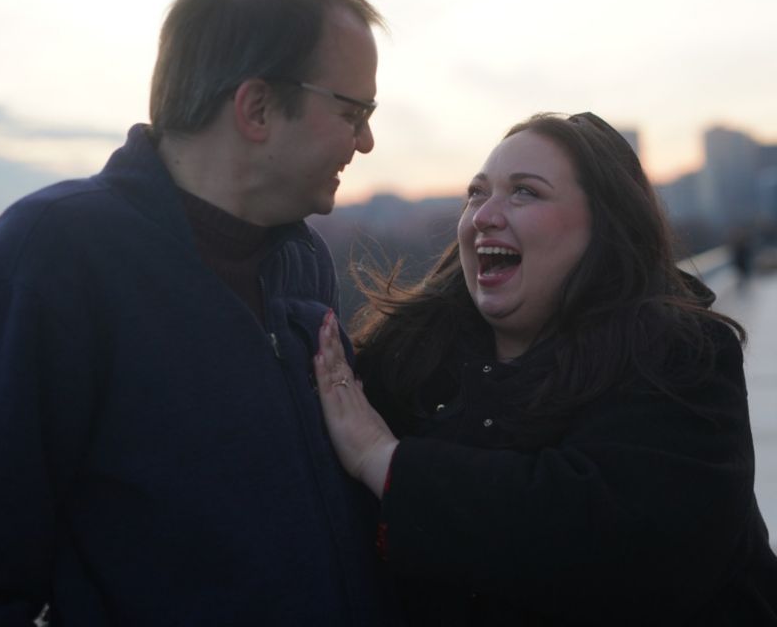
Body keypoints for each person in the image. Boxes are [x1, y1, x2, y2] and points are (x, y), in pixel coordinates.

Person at [0, 0, 403, 626]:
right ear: (257, 108)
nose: (367, 141)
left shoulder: (302, 260)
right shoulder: (55, 254)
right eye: (353, 111)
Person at [313, 112, 777, 625]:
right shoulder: (409, 362)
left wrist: (384, 460)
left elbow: (618, 541)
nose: (484, 215)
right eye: (476, 193)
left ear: (605, 226)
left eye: (524, 192)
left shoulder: (684, 357)